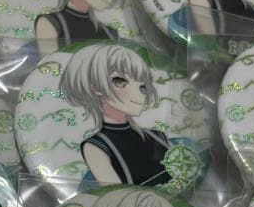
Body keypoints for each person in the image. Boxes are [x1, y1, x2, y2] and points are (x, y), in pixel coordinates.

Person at [59, 44, 177, 187]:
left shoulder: (158, 136)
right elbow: (116, 193)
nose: (139, 95)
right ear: (95, 87)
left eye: (142, 87)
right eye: (121, 82)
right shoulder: (96, 146)